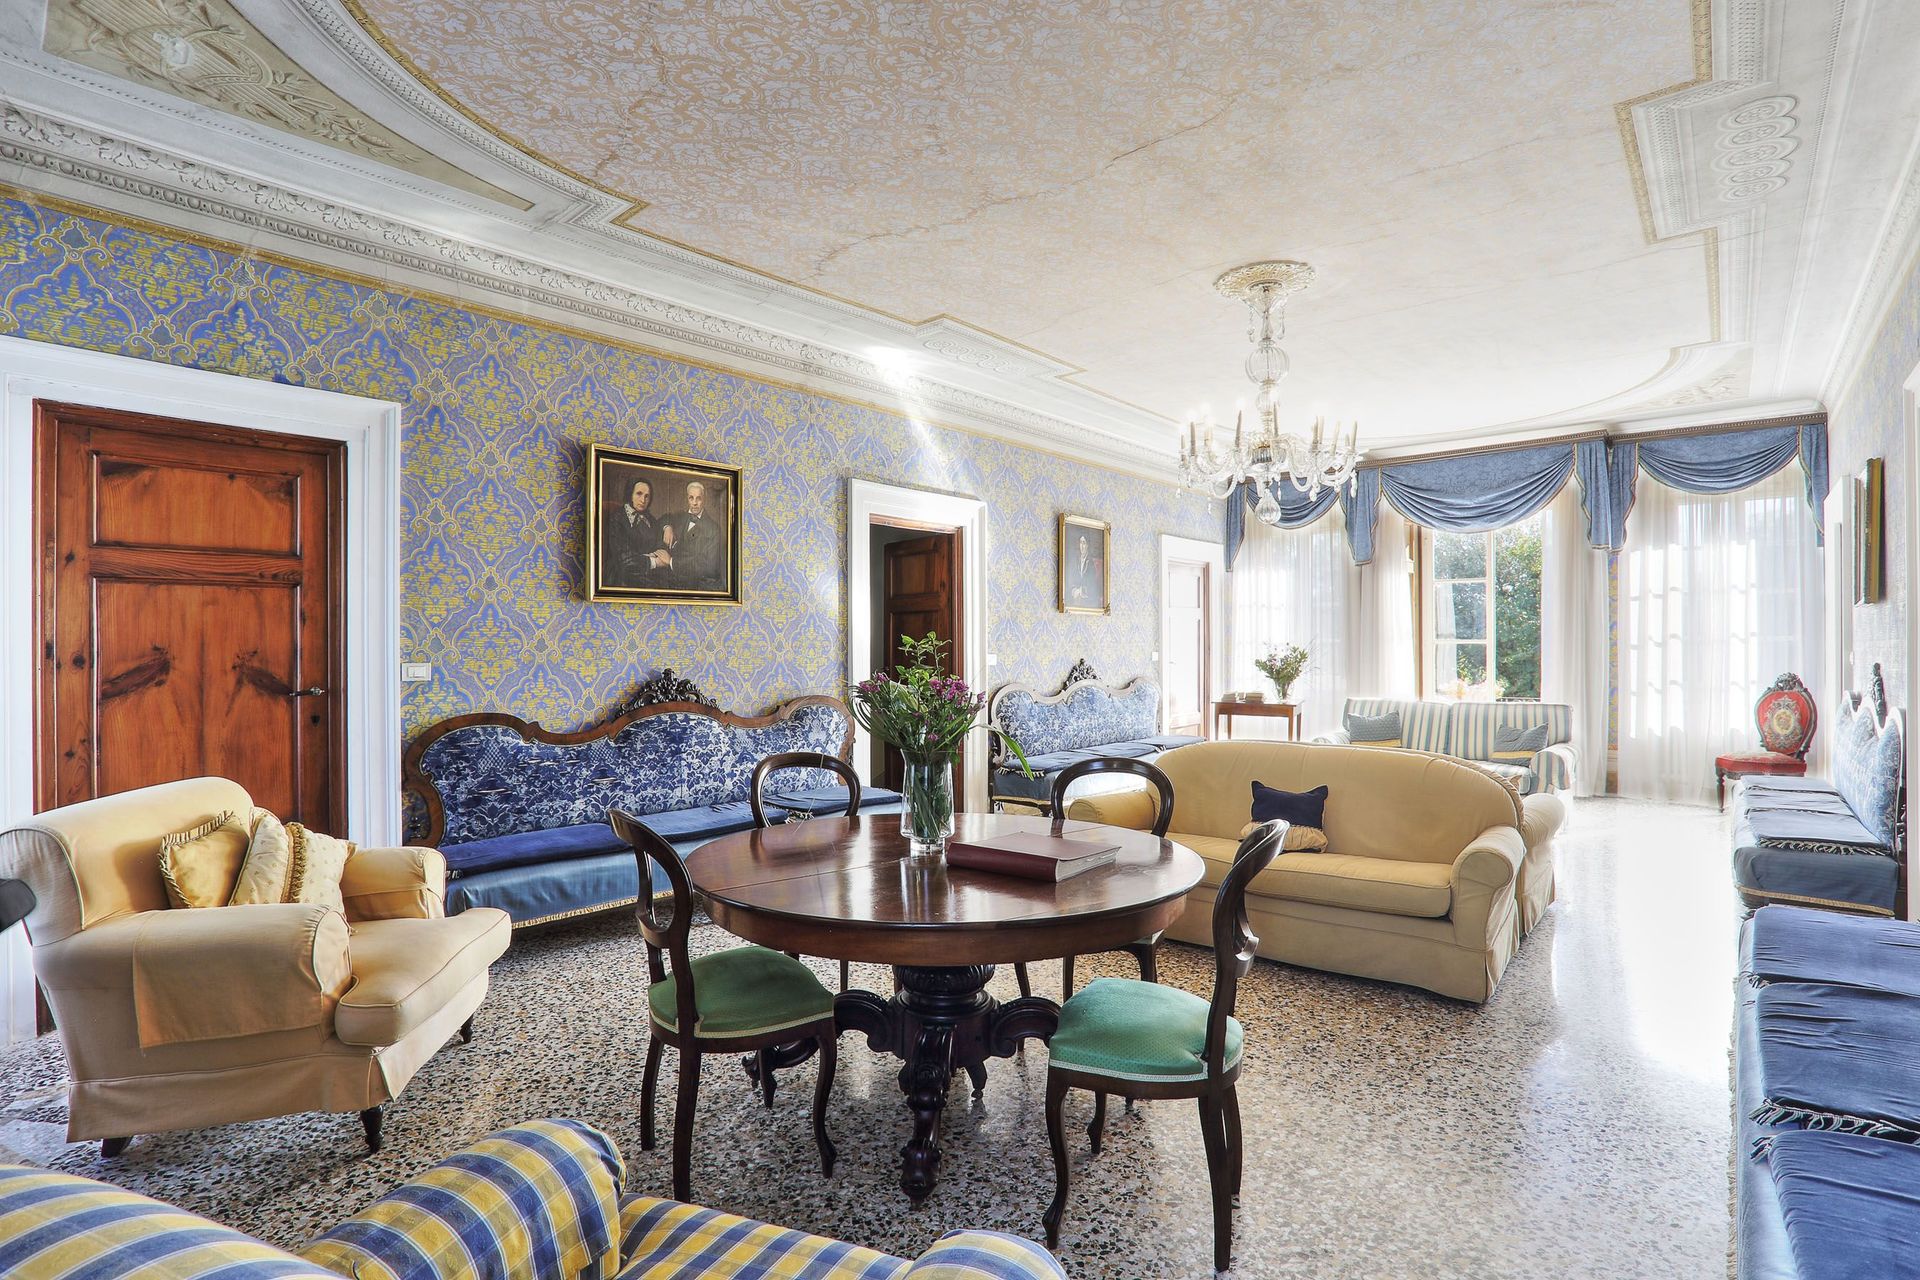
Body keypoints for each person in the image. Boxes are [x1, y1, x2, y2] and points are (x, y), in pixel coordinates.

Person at [651, 479, 727, 591]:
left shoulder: (714, 529)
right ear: (687, 498)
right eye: (691, 498)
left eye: (698, 498)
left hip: (694, 586)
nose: (694, 503)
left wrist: (671, 561)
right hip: (669, 581)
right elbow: (663, 518)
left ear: (704, 499)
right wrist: (667, 527)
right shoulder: (680, 516)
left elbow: (708, 566)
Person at [603, 475, 665, 588]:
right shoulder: (616, 518)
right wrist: (654, 561)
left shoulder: (651, 520)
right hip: (622, 577)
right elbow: (624, 559)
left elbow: (661, 548)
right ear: (630, 494)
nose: (643, 500)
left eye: (647, 496)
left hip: (649, 575)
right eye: (639, 494)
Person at [1066, 531, 1105, 608]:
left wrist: (1081, 590)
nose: (1082, 546)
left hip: (1088, 596)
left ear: (1087, 545)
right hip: (1076, 595)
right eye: (1080, 543)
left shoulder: (1090, 562)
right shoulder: (1076, 561)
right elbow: (1072, 578)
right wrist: (1074, 590)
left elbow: (1092, 584)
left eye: (1084, 543)